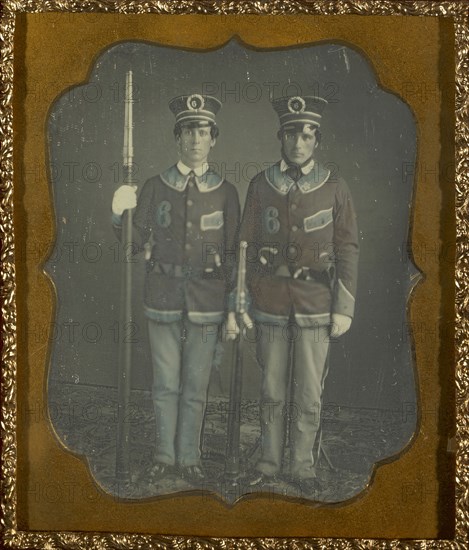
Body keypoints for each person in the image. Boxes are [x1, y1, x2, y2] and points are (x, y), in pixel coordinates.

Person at [111, 93, 240, 484]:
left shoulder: (226, 192)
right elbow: (134, 243)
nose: (195, 139)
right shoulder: (153, 186)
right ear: (177, 137)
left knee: (196, 382)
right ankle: (164, 455)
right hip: (162, 294)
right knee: (165, 381)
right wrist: (120, 214)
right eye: (188, 130)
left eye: (203, 131)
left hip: (207, 299)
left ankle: (189, 456)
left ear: (213, 139)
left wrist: (234, 305)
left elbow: (235, 255)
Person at [239, 95, 359, 494]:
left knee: (309, 390)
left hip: (316, 303)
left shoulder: (335, 186)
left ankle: (302, 467)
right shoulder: (260, 185)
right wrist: (247, 295)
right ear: (280, 137)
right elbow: (245, 244)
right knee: (272, 388)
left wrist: (343, 307)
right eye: (291, 134)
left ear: (317, 140)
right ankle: (268, 463)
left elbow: (347, 249)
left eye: (307, 135)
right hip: (270, 301)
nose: (298, 143)